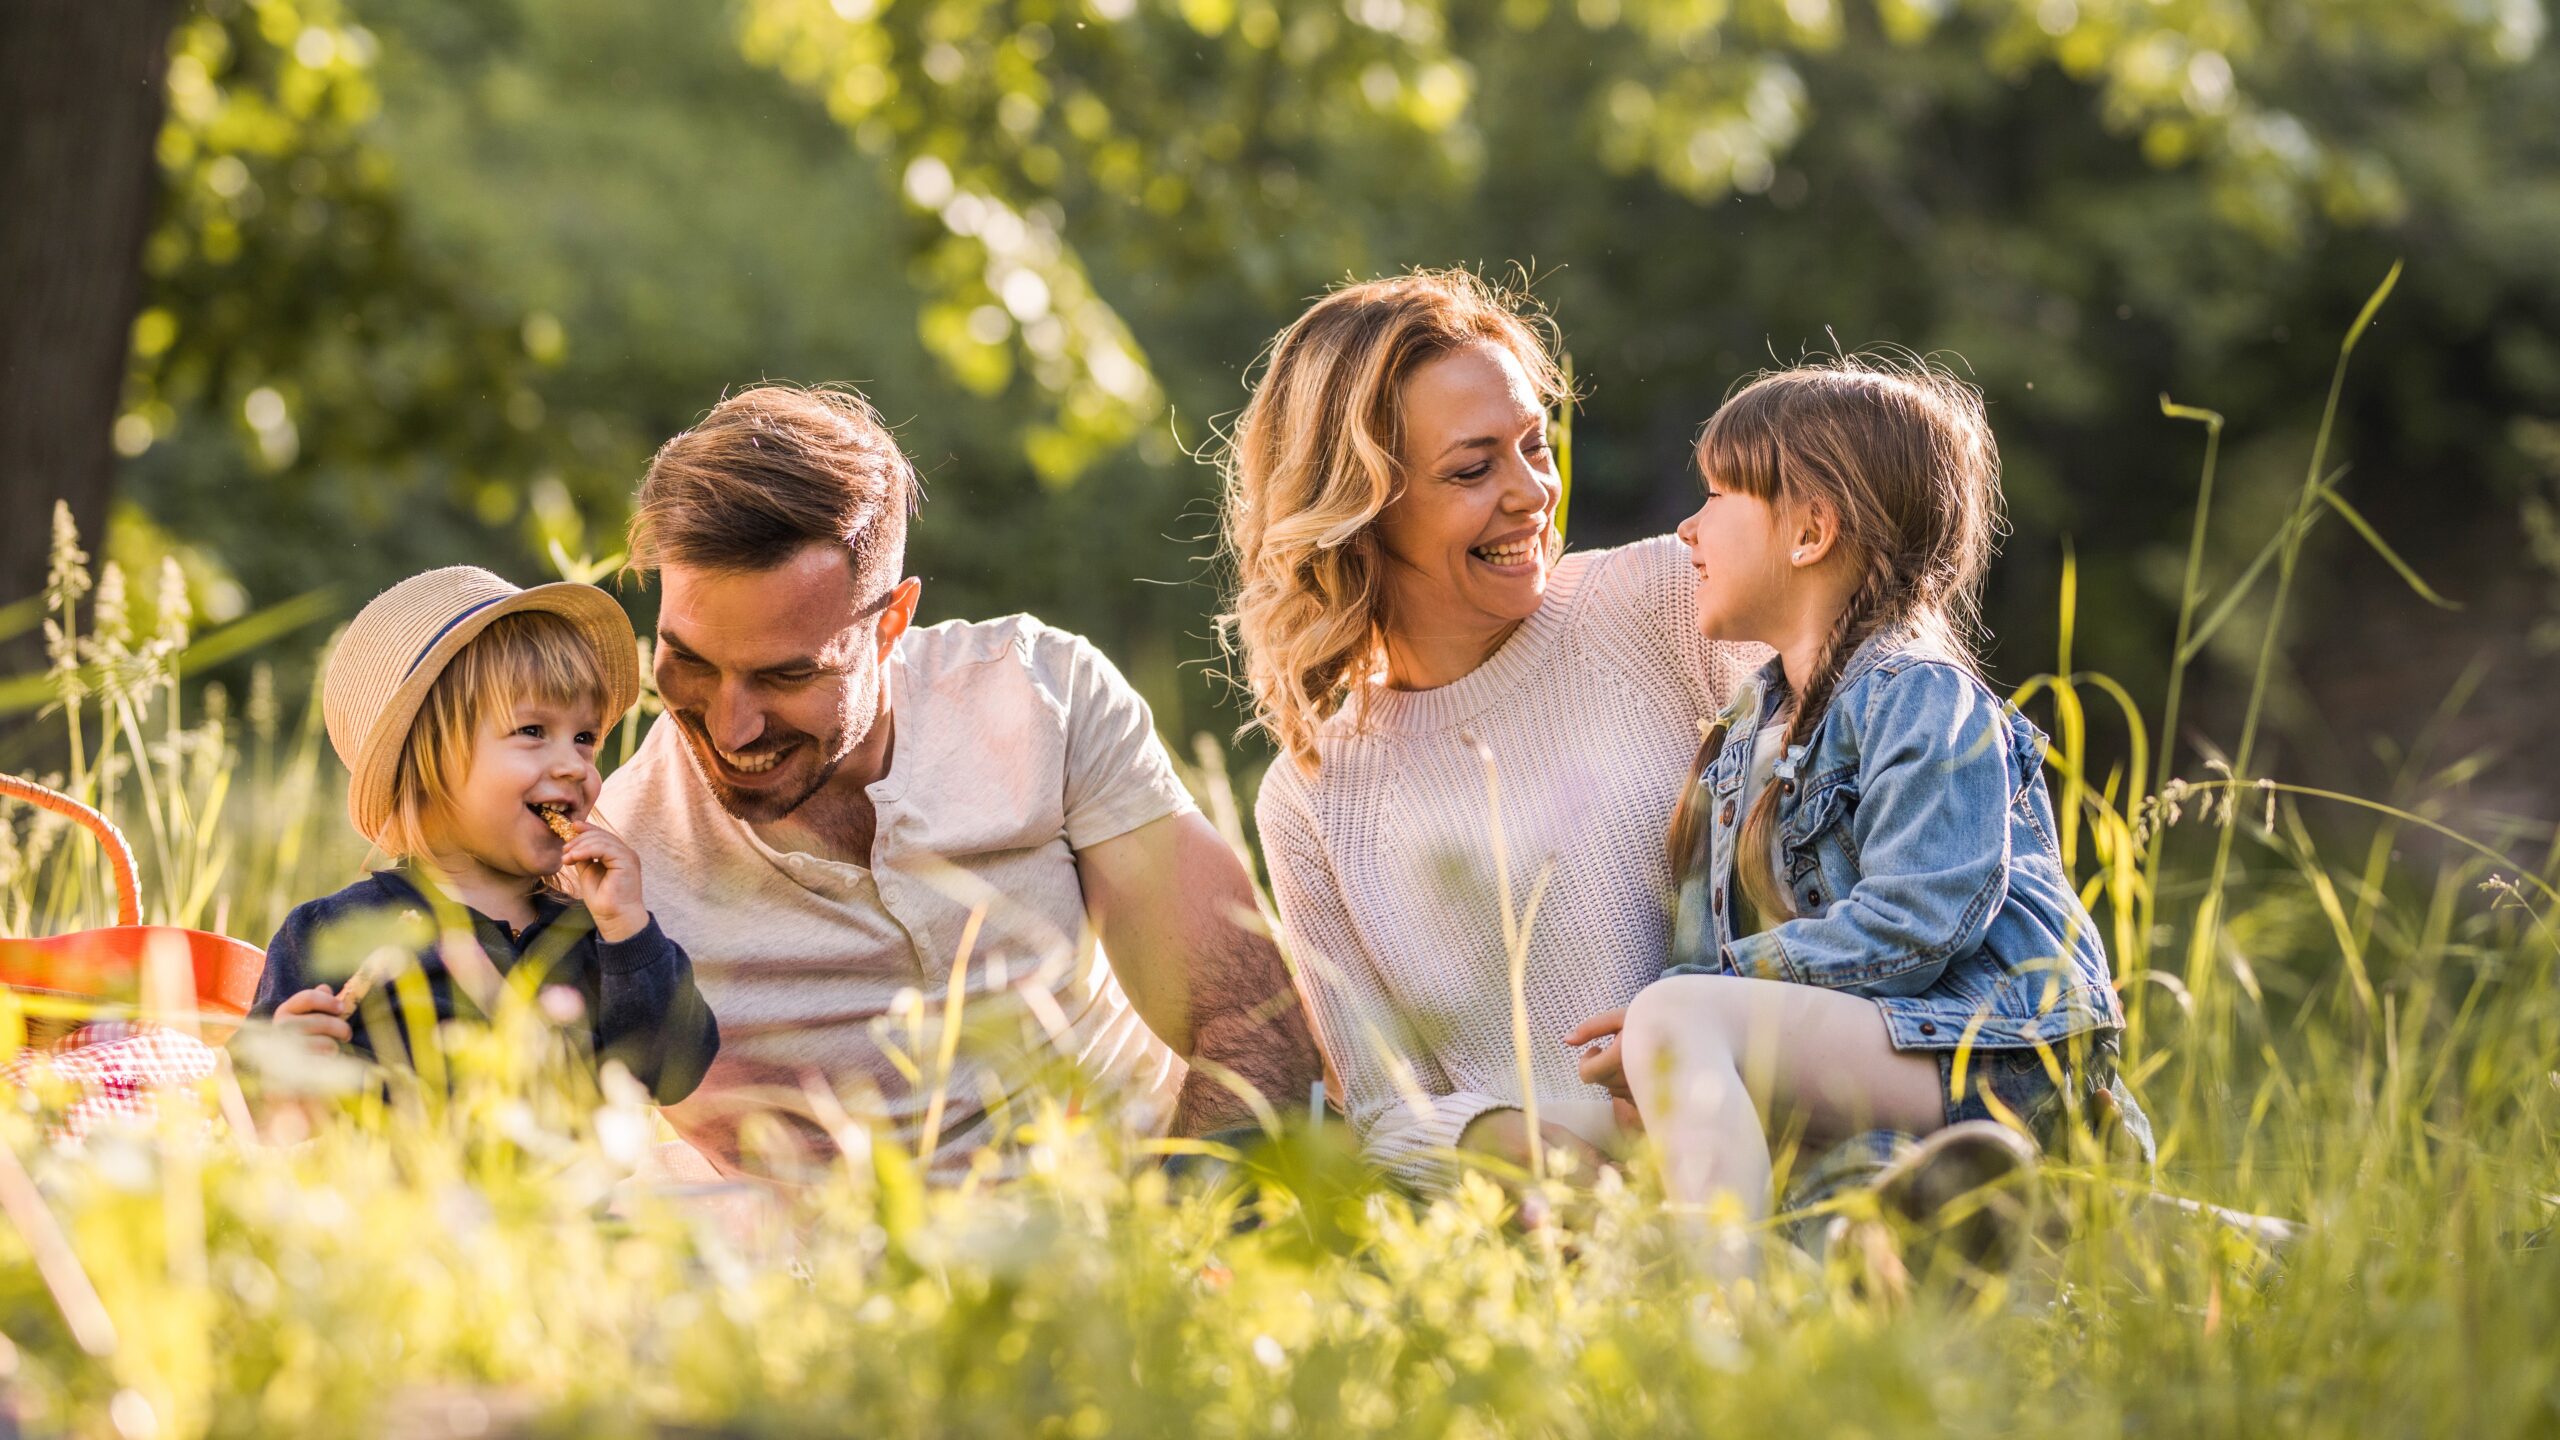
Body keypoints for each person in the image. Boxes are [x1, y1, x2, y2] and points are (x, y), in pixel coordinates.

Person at [594, 385, 1320, 1180]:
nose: (733, 727)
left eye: (789, 674)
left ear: (892, 621)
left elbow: (1250, 1028)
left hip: (1143, 1220)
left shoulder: (1044, 699)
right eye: (690, 660)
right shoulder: (615, 864)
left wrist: (1171, 1256)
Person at [1569, 355, 2152, 1267]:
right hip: (1897, 1088)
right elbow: (1714, 956)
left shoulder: (1917, 693)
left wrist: (1683, 1015)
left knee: (1677, 1019)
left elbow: (1921, 918)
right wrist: (1679, 1052)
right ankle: (2178, 1247)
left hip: (2002, 1056)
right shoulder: (1743, 739)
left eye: (1718, 494)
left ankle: (1724, 1321)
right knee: (1840, 1216)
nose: (1686, 528)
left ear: (1810, 530)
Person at [1227, 269, 1763, 1193]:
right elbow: (1381, 1108)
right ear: (1361, 508)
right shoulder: (1311, 796)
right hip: (1566, 1213)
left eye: (1535, 447)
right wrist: (1549, 1156)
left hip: (1782, 1120)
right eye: (1473, 470)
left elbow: (1860, 805)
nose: (1531, 494)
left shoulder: (1673, 598)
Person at [248, 567, 719, 1105]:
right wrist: (280, 1063)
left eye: (585, 737)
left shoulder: (594, 940)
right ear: (426, 767)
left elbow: (672, 1077)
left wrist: (627, 928)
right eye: (533, 732)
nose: (573, 765)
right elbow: (242, 1118)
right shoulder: (332, 931)